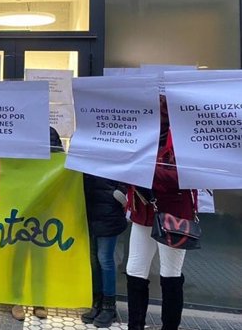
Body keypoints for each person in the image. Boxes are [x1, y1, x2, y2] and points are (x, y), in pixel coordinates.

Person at [125, 96, 197, 330]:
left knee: (171, 273)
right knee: (135, 270)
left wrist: (142, 170)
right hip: (143, 212)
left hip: (175, 214)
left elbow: (183, 176)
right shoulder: (138, 136)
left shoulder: (184, 136)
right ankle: (135, 326)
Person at [11, 127, 64, 322]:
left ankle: (39, 301)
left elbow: (60, 164)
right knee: (19, 255)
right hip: (18, 204)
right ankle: (15, 299)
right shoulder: (16, 131)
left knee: (40, 256)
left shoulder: (51, 132)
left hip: (43, 204)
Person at [80, 174, 128, 327]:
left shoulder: (118, 149)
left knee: (104, 259)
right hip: (91, 207)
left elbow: (129, 169)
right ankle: (98, 302)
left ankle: (109, 306)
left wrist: (119, 192)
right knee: (95, 259)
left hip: (108, 210)